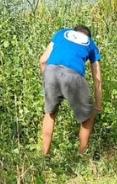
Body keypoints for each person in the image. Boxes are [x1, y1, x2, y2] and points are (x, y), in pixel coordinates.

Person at [37, 25, 103, 156]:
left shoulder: (61, 33)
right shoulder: (91, 44)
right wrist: (98, 104)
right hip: (73, 76)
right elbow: (97, 79)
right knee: (88, 116)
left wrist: (47, 83)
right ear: (87, 36)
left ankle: (44, 155)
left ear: (73, 31)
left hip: (51, 71)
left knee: (50, 113)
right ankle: (81, 155)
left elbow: (43, 60)